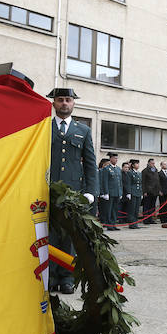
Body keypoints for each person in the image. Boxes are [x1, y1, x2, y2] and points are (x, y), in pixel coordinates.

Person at [48, 88, 98, 294]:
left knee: (70, 236)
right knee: (49, 234)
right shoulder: (44, 127)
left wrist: (90, 191)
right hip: (47, 190)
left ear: (74, 103)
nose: (64, 104)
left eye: (68, 100)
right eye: (60, 100)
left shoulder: (83, 130)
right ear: (53, 104)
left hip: (73, 193)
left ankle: (67, 277)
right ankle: (49, 276)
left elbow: (90, 163)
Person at [141, 158, 161, 225]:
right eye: (152, 163)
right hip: (148, 191)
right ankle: (145, 219)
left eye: (154, 163)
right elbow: (143, 182)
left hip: (155, 191)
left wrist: (159, 190)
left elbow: (158, 181)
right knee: (147, 206)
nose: (153, 164)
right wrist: (144, 191)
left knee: (152, 206)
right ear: (149, 163)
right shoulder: (145, 171)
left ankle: (151, 218)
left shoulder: (155, 170)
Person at [106, 152, 122, 230]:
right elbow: (105, 181)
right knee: (109, 209)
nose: (116, 160)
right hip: (110, 192)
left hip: (117, 192)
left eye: (117, 158)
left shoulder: (118, 169)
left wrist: (121, 192)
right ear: (111, 159)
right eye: (114, 158)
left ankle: (113, 224)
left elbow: (120, 182)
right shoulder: (107, 169)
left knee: (115, 209)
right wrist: (106, 192)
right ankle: (109, 225)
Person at [125, 159, 142, 229]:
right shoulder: (130, 173)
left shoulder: (139, 173)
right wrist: (128, 192)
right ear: (133, 165)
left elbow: (140, 184)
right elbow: (128, 183)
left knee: (136, 209)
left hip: (138, 192)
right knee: (132, 209)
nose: (138, 165)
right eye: (136, 164)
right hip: (132, 192)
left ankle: (135, 223)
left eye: (138, 164)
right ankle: (131, 223)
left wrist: (141, 193)